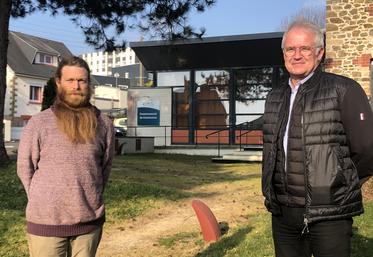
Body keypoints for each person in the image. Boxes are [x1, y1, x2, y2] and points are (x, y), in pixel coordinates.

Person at [262, 20, 373, 257]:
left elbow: (366, 149)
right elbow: (271, 149)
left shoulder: (343, 90)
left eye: (305, 48)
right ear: (283, 53)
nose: (297, 55)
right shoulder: (274, 96)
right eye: (291, 49)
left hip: (329, 212)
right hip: (283, 212)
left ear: (319, 52)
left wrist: (342, 181)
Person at [17, 56, 115, 257]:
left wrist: (90, 195)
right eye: (70, 80)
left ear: (88, 84)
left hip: (88, 222)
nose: (76, 86)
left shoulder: (103, 123)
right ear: (58, 82)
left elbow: (104, 167)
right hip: (46, 224)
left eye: (82, 80)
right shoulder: (39, 123)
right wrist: (43, 200)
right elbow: (25, 168)